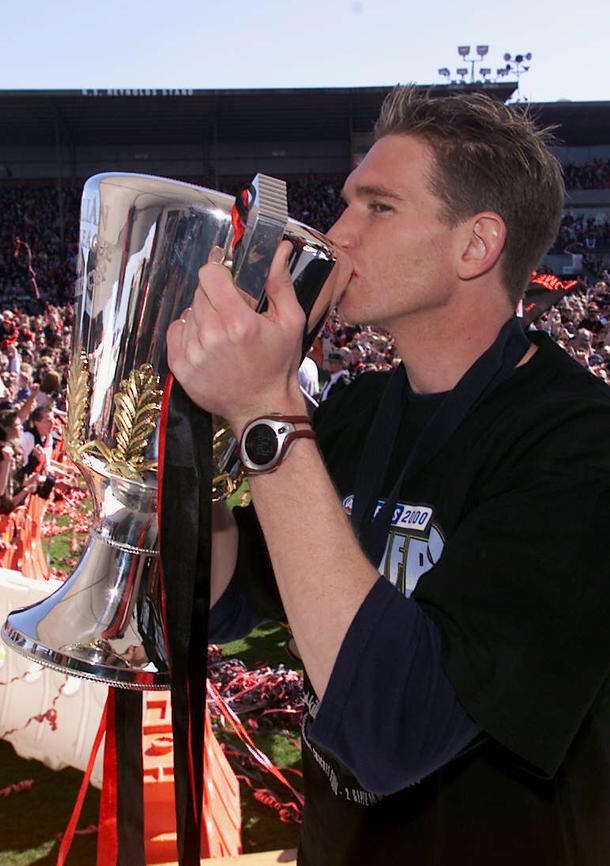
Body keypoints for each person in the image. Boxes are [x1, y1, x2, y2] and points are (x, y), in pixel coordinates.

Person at [166, 87, 609, 865]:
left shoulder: (578, 446)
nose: (335, 235)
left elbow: (394, 729)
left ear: (475, 246)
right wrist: (190, 428)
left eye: (377, 207)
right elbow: (225, 601)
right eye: (346, 204)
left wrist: (266, 410)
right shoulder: (353, 411)